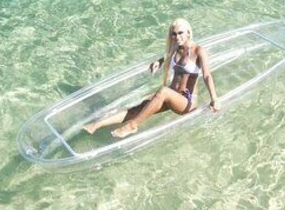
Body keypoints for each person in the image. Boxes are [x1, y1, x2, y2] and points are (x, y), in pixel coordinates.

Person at [84, 18, 219, 138]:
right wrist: (159, 62)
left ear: (188, 32)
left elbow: (207, 75)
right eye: (174, 34)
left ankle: (132, 126)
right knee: (140, 107)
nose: (177, 37)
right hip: (171, 98)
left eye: (180, 33)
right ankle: (98, 124)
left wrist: (214, 99)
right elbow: (167, 57)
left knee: (163, 91)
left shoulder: (198, 51)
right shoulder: (174, 49)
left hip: (186, 103)